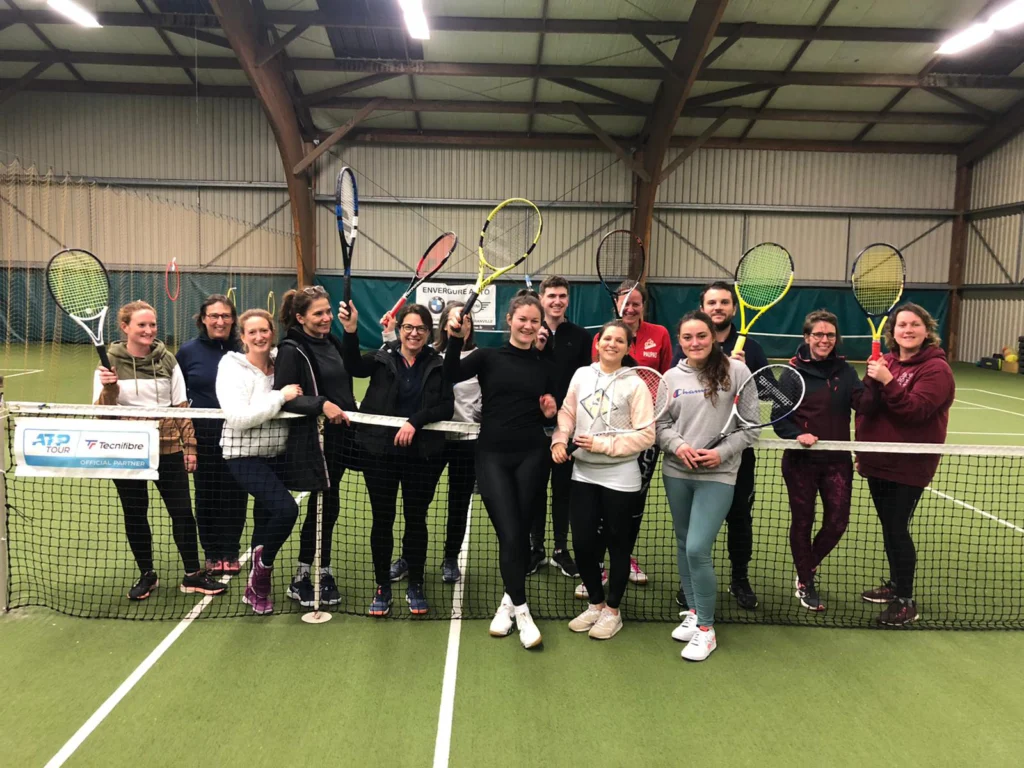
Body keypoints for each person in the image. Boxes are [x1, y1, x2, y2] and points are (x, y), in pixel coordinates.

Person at [446, 295, 558, 649]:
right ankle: (523, 611)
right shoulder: (487, 357)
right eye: (522, 319)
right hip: (492, 456)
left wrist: (550, 411)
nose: (528, 326)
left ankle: (508, 604)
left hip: (532, 456)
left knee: (520, 535)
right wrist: (453, 339)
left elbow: (548, 412)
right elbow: (450, 373)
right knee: (509, 533)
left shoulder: (545, 364)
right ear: (509, 319)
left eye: (534, 321)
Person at [94, 300, 225, 601]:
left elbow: (181, 407)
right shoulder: (108, 364)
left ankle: (193, 574)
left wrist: (189, 446)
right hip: (127, 450)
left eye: (152, 324)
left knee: (182, 513)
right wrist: (109, 388)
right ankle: (147, 574)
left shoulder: (167, 360)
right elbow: (101, 413)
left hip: (167, 449)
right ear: (125, 327)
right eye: (142, 325)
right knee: (135, 513)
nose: (149, 330)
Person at [338, 300, 453, 617]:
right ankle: (382, 587)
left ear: (429, 332)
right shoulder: (380, 358)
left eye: (420, 328)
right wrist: (351, 331)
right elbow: (352, 366)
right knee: (382, 520)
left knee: (416, 521)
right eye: (408, 327)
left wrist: (416, 421)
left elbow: (445, 407)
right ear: (398, 329)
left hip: (422, 455)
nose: (414, 333)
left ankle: (416, 584)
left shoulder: (438, 364)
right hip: (380, 454)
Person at [658, 311, 759, 662]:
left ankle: (706, 629)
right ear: (680, 340)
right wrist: (678, 446)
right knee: (685, 543)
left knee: (698, 548)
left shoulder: (738, 371)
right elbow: (661, 426)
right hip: (677, 472)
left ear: (714, 336)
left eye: (701, 335)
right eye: (687, 338)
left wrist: (720, 454)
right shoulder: (670, 376)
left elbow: (751, 428)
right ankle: (693, 614)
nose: (695, 343)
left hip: (718, 476)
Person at [552, 320, 655, 640]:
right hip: (583, 472)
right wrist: (560, 438)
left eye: (619, 340)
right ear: (598, 343)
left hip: (621, 476)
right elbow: (567, 411)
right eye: (607, 338)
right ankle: (595, 603)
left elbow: (646, 435)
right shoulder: (583, 375)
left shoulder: (635, 384)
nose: (612, 344)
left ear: (628, 347)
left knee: (618, 546)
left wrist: (604, 445)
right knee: (582, 544)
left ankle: (613, 611)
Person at [855, 303, 954, 626]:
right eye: (901, 325)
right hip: (878, 462)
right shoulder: (889, 363)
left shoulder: (936, 369)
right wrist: (862, 451)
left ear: (927, 330)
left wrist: (887, 380)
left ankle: (905, 601)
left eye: (914, 325)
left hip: (910, 465)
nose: (908, 330)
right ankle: (896, 584)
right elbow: (868, 409)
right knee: (889, 528)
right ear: (892, 332)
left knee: (897, 529)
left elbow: (916, 411)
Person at [773, 310, 864, 612]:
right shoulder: (792, 373)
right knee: (803, 521)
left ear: (836, 338)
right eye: (818, 334)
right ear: (807, 337)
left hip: (837, 461)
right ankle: (805, 581)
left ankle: (806, 567)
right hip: (801, 462)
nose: (824, 340)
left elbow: (864, 404)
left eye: (830, 335)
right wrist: (798, 434)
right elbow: (779, 419)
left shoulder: (847, 371)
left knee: (838, 522)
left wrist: (876, 382)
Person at [386, 301, 482, 585]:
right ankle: (408, 556)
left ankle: (450, 558)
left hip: (467, 441)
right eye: (454, 320)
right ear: (443, 326)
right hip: (433, 442)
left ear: (470, 326)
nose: (460, 324)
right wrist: (388, 333)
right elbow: (397, 357)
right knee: (419, 503)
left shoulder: (479, 358)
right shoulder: (432, 356)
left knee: (458, 503)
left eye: (465, 320)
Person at [586, 281, 672, 590]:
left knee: (633, 502)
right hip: (607, 433)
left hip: (643, 436)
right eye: (625, 303)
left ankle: (624, 556)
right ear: (616, 306)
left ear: (643, 306)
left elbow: (666, 381)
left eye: (636, 303)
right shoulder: (602, 337)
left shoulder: (659, 335)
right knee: (598, 501)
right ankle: (596, 563)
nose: (631, 308)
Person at [216, 309, 303, 615]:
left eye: (264, 330)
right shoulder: (232, 368)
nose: (259, 337)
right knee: (286, 509)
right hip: (243, 455)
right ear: (242, 338)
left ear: (272, 333)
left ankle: (255, 589)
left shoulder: (282, 363)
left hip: (276, 454)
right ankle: (262, 568)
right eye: (251, 332)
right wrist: (280, 397)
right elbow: (239, 418)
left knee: (266, 519)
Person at [692, 280, 769, 611]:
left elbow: (770, 390)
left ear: (733, 309)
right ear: (703, 307)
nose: (718, 307)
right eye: (712, 302)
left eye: (724, 302)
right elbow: (683, 387)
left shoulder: (751, 348)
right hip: (697, 452)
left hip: (738, 454)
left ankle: (740, 579)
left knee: (740, 518)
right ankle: (694, 581)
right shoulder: (692, 343)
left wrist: (744, 371)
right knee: (698, 524)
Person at [274, 286, 352, 608]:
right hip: (313, 442)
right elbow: (285, 398)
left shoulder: (331, 341)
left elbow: (352, 368)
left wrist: (353, 331)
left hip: (340, 440)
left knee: (328, 508)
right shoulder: (292, 349)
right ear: (300, 316)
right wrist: (322, 404)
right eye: (318, 313)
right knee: (320, 509)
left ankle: (319, 568)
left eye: (328, 311)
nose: (325, 318)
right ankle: (305, 575)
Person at [176, 295, 248, 576]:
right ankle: (212, 552)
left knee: (235, 494)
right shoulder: (188, 352)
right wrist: (188, 443)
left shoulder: (244, 350)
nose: (220, 321)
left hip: (240, 435)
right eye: (214, 316)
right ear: (203, 319)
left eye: (226, 316)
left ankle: (230, 551)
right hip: (203, 438)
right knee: (207, 495)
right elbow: (179, 398)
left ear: (233, 319)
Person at [529, 276, 592, 579]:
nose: (557, 301)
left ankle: (559, 550)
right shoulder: (528, 333)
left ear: (568, 299)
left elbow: (587, 380)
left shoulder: (580, 337)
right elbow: (522, 371)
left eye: (562, 296)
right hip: (532, 428)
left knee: (564, 491)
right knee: (534, 490)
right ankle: (536, 548)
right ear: (541, 298)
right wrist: (537, 349)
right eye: (551, 295)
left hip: (568, 430)